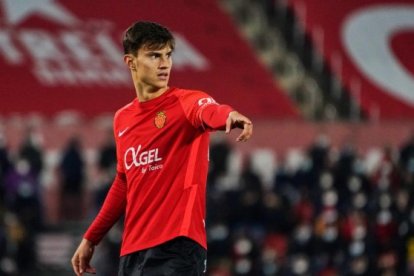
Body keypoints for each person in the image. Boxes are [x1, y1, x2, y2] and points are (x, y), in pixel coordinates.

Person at [71, 21, 253, 276]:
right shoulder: (122, 119)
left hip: (178, 245)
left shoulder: (186, 102)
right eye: (154, 55)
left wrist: (229, 115)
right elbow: (124, 182)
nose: (165, 63)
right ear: (130, 62)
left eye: (168, 55)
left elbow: (209, 110)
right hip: (132, 252)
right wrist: (91, 238)